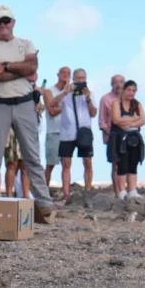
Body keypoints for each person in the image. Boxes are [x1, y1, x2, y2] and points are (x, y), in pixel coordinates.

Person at [0, 5, 55, 220]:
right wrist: (21, 70)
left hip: (23, 103)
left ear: (13, 22)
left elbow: (30, 67)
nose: (3, 25)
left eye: (6, 21)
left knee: (32, 155)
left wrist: (4, 66)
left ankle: (44, 202)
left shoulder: (26, 43)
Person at [49, 68, 97, 201]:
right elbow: (51, 104)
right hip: (67, 133)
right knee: (66, 163)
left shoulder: (90, 94)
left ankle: (87, 191)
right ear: (73, 79)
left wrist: (88, 99)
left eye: (83, 78)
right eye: (78, 78)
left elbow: (93, 113)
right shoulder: (66, 94)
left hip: (84, 132)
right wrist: (65, 92)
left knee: (87, 162)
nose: (81, 81)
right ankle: (66, 194)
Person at [110, 80, 145, 199]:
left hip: (134, 138)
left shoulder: (137, 104)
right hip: (120, 139)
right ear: (124, 90)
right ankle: (121, 191)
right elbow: (116, 120)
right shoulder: (116, 103)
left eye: (133, 90)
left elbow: (142, 120)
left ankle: (132, 190)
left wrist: (127, 121)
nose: (131, 93)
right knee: (122, 165)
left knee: (133, 164)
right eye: (129, 90)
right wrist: (133, 119)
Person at [43, 66, 70, 188]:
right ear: (58, 74)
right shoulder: (49, 91)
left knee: (66, 164)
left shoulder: (71, 92)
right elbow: (51, 110)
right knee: (50, 164)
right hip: (53, 131)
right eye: (63, 73)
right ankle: (44, 190)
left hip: (67, 132)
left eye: (68, 73)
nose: (65, 75)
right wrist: (65, 106)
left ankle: (66, 192)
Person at [99, 74, 124, 196]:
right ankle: (117, 192)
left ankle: (126, 190)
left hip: (127, 136)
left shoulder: (128, 98)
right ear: (111, 84)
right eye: (115, 82)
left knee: (127, 164)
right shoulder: (105, 99)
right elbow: (102, 120)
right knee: (115, 165)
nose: (118, 84)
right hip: (112, 136)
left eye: (121, 82)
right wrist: (110, 133)